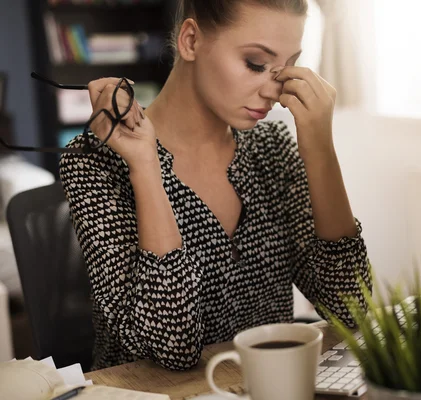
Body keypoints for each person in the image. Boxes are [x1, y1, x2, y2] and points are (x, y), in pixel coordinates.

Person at [59, 0, 371, 371]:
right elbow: (172, 348)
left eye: (287, 68)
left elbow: (352, 309)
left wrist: (319, 149)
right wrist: (145, 166)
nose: (273, 90)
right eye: (256, 63)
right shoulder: (95, 162)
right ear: (190, 40)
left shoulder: (270, 149)